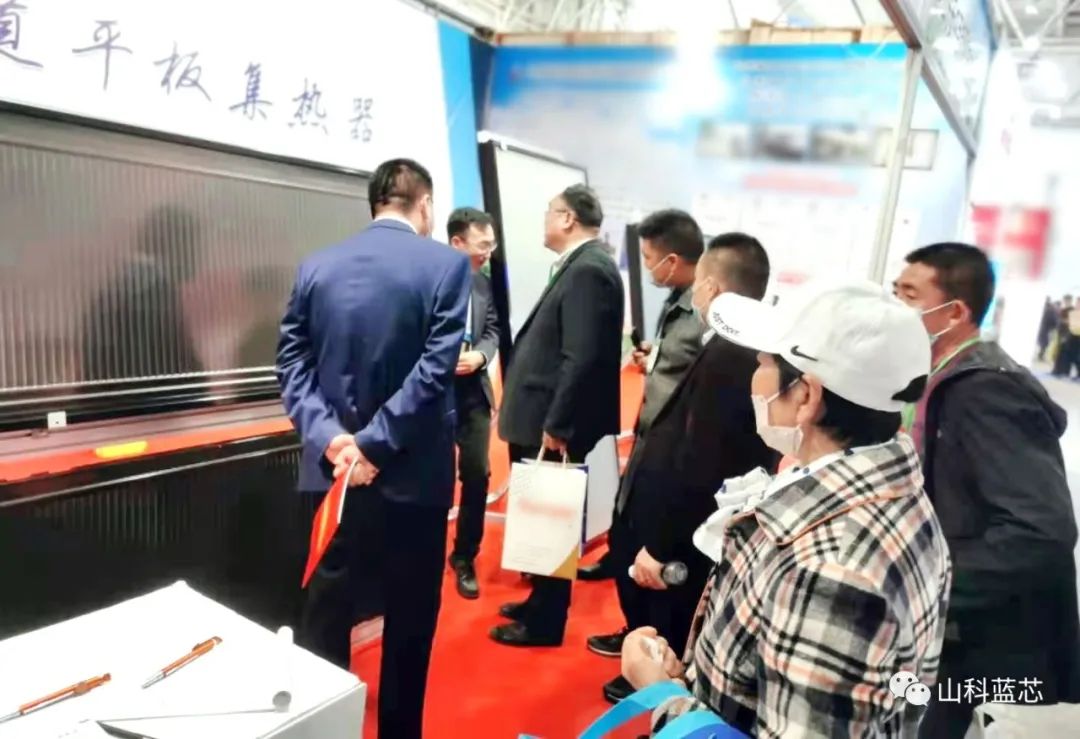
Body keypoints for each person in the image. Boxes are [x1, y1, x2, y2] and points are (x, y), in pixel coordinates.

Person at [621, 279, 951, 737]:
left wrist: (662, 694)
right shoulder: (896, 497)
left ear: (806, 397)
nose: (755, 378)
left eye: (762, 363)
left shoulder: (830, 572)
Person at [276, 158, 470, 739]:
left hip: (332, 477)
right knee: (410, 623)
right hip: (413, 477)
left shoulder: (317, 265)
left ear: (375, 203)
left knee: (325, 615)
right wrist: (375, 446)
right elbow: (435, 370)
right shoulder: (446, 266)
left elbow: (291, 363)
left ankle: (325, 730)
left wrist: (333, 441)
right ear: (425, 204)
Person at [894, 243, 1080, 738]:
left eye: (909, 294)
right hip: (943, 625)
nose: (894, 306)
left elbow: (1042, 528)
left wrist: (930, 586)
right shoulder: (936, 376)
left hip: (970, 636)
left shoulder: (984, 391)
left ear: (954, 312)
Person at [592, 232, 778, 704]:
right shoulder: (744, 349)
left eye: (698, 284)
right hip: (702, 518)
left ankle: (667, 705)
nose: (693, 294)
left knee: (674, 618)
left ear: (712, 288)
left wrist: (661, 544)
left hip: (690, 527)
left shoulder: (728, 355)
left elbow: (702, 462)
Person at [492, 184, 625, 647]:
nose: (545, 219)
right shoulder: (583, 265)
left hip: (551, 422)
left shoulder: (589, 270)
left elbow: (581, 356)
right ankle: (538, 604)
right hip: (543, 415)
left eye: (550, 211)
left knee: (552, 520)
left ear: (568, 218)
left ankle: (545, 622)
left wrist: (559, 423)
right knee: (542, 518)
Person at [581, 210, 705, 583]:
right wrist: (655, 354)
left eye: (650, 259)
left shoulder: (704, 312)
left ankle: (634, 577)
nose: (648, 267)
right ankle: (617, 560)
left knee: (650, 511)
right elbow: (679, 358)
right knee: (627, 504)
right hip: (650, 423)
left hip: (673, 436)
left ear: (672, 261)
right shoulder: (677, 298)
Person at [445, 207, 500, 599]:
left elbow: (492, 329)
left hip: (473, 392)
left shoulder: (484, 284)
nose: (488, 252)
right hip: (434, 393)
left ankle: (464, 555)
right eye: (483, 245)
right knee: (432, 477)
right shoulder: (426, 279)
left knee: (477, 474)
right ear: (457, 242)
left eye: (492, 244)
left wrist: (481, 355)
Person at [1037, 296, 1058, 362]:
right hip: (1046, 329)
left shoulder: (1048, 308)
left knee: (1043, 343)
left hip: (1044, 328)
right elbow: (1054, 320)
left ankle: (1041, 355)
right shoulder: (1051, 309)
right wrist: (1055, 326)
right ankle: (1040, 355)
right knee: (1045, 343)